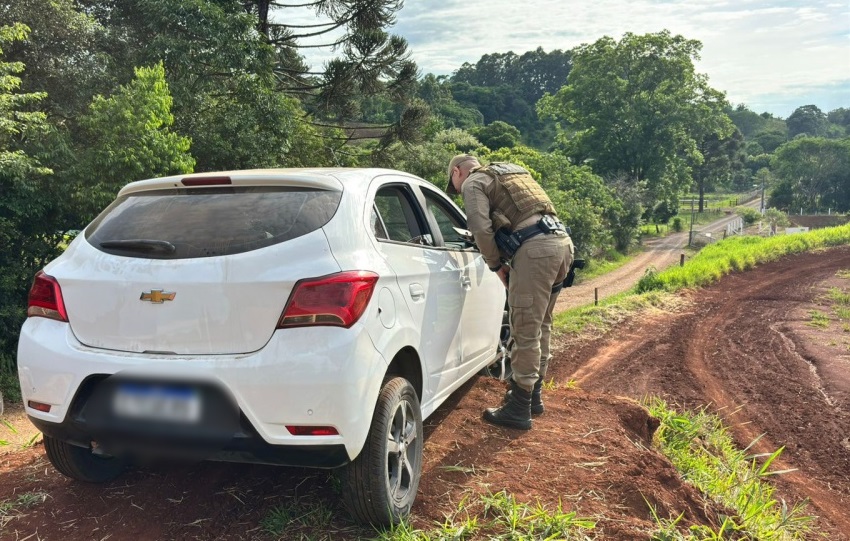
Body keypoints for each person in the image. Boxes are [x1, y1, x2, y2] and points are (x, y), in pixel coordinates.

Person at [446, 154, 573, 430]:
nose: (457, 191)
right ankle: (533, 397)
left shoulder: (473, 182)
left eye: (453, 185)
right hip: (561, 244)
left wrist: (495, 265)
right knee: (542, 324)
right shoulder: (512, 172)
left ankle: (518, 408)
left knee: (525, 328)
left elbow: (479, 227)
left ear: (458, 172)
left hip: (535, 253)